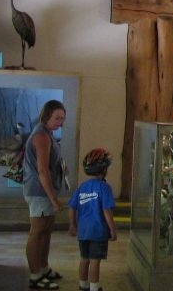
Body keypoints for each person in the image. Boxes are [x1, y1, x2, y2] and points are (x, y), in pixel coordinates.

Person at [23, 100, 67, 290]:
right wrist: (53, 199)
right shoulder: (41, 136)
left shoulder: (47, 133)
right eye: (57, 118)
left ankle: (43, 268)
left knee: (46, 231)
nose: (60, 122)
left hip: (46, 191)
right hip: (40, 192)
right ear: (47, 116)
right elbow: (42, 170)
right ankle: (35, 275)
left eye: (62, 119)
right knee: (37, 232)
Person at [68, 148, 117, 291]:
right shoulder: (104, 187)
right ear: (104, 169)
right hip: (98, 231)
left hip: (83, 231)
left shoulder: (82, 187)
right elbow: (106, 210)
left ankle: (83, 286)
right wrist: (112, 229)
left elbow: (72, 207)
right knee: (95, 261)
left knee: (84, 259)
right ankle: (94, 288)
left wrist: (72, 224)